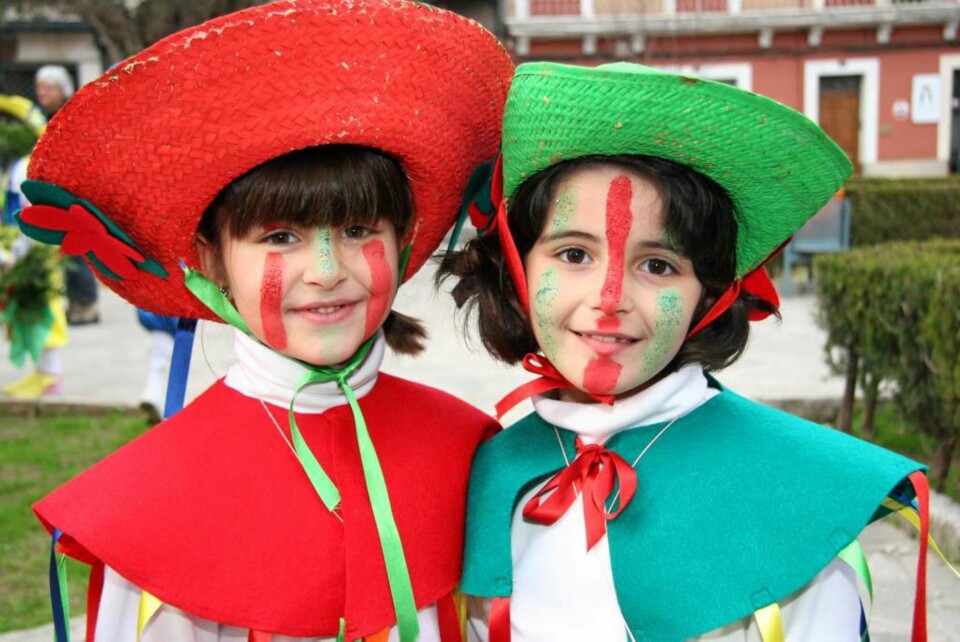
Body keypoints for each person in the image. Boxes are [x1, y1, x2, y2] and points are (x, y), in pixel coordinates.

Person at [20, 2, 511, 640]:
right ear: (210, 260)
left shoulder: (470, 450)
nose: (327, 270)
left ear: (405, 238)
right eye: (280, 236)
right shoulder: (154, 502)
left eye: (359, 229)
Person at [440, 63, 933, 641]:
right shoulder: (483, 479)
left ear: (712, 296)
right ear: (519, 268)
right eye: (574, 254)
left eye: (658, 265)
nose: (610, 299)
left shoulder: (790, 495)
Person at [0, 94, 67, 398]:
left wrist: (18, 253)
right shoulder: (16, 164)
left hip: (31, 249)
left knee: (43, 308)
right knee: (28, 309)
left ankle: (51, 375)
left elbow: (28, 214)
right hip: (21, 248)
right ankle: (41, 371)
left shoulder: (26, 165)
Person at [34, 64, 100, 325]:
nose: (42, 92)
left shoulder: (73, 115)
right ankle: (72, 302)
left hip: (74, 192)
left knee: (77, 248)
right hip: (49, 192)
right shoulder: (37, 117)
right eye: (39, 87)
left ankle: (86, 303)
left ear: (62, 89)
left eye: (48, 87)